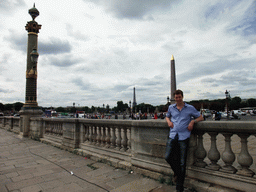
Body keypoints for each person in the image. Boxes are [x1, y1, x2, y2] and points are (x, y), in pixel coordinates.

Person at [165, 90, 204, 192]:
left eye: (179, 97)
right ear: (174, 98)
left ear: (182, 97)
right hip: (173, 135)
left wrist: (192, 121)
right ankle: (178, 174)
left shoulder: (189, 108)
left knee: (182, 162)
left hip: (184, 136)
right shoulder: (171, 107)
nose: (178, 99)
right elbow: (167, 116)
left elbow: (201, 117)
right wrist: (169, 122)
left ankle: (179, 187)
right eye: (176, 98)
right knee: (167, 157)